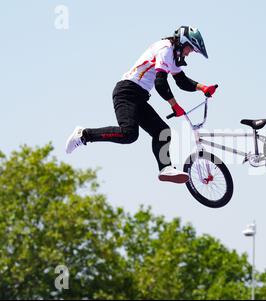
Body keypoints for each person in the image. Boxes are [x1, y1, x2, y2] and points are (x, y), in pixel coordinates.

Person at [65, 26, 217, 184]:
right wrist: (174, 105)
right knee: (129, 134)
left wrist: (203, 87)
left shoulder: (172, 54)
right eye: (189, 49)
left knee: (162, 132)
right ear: (182, 42)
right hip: (126, 92)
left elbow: (181, 81)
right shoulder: (165, 49)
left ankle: (166, 168)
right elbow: (160, 83)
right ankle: (84, 135)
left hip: (139, 96)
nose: (188, 53)